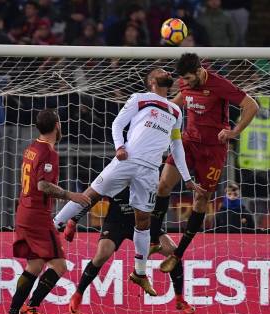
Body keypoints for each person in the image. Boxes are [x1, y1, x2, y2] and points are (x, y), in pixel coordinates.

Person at [53, 67, 204, 296]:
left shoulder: (175, 111)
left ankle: (140, 273)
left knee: (143, 222)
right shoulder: (140, 99)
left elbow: (176, 146)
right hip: (128, 159)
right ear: (152, 81)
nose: (166, 72)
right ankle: (54, 224)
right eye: (160, 70)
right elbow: (117, 124)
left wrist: (187, 178)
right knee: (90, 195)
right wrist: (119, 147)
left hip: (151, 170)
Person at [151, 53, 259, 273]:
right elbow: (181, 98)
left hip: (213, 151)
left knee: (202, 199)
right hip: (189, 142)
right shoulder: (184, 81)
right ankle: (153, 236)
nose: (186, 83)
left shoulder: (219, 84)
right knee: (163, 185)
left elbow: (252, 106)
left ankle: (178, 254)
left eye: (190, 78)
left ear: (200, 71)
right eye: (184, 79)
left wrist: (234, 131)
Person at [5, 109, 91, 314]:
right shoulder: (48, 152)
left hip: (23, 212)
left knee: (34, 265)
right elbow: (42, 185)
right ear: (57, 126)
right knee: (60, 265)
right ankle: (31, 308)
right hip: (37, 216)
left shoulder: (31, 148)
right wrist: (71, 195)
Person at [68, 187, 196, 314]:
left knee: (173, 253)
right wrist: (74, 221)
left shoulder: (148, 174)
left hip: (144, 221)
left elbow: (162, 197)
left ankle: (180, 299)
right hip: (116, 222)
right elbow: (92, 197)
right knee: (102, 254)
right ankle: (77, 295)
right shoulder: (114, 173)